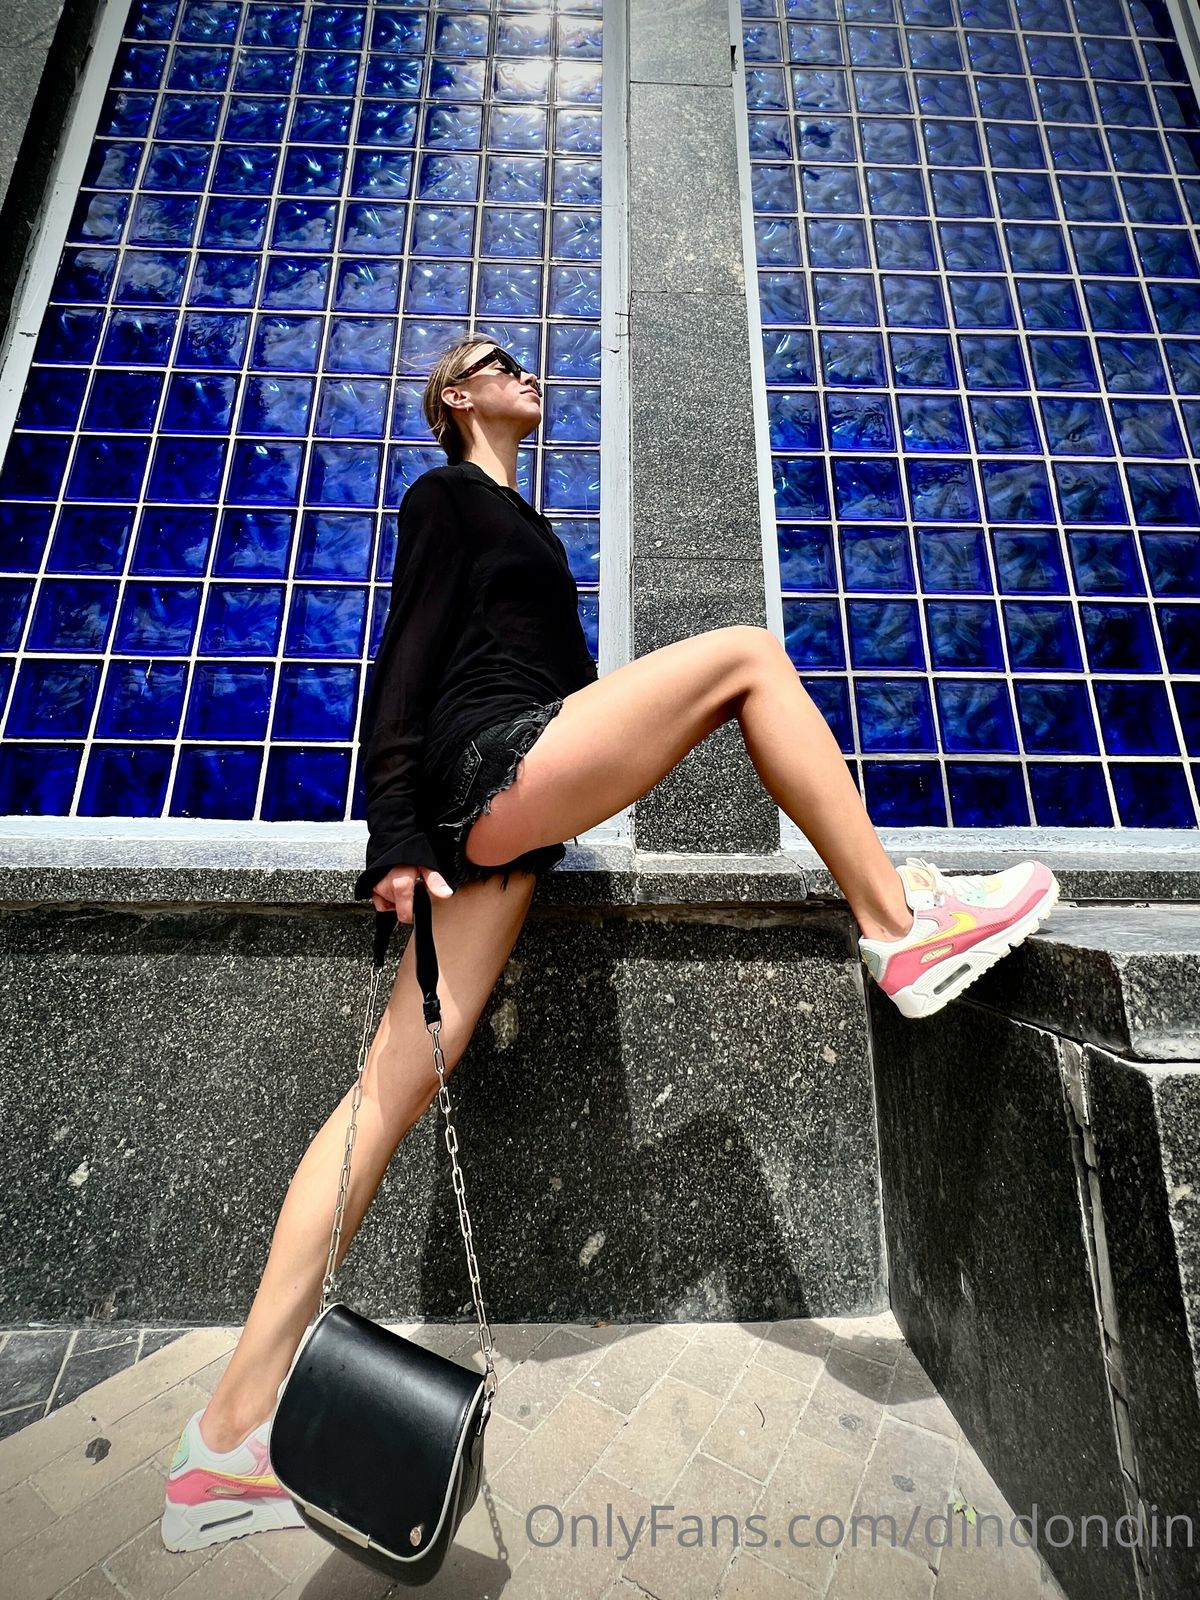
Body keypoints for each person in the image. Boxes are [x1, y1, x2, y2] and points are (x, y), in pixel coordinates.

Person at [161, 332, 1059, 1552]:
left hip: (512, 819)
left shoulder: (527, 524)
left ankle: (224, 1441)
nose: (526, 371)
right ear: (455, 395)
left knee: (383, 1095)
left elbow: (555, 683)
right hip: (485, 769)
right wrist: (397, 834)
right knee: (748, 657)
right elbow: (406, 658)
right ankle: (898, 925)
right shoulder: (444, 496)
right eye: (498, 361)